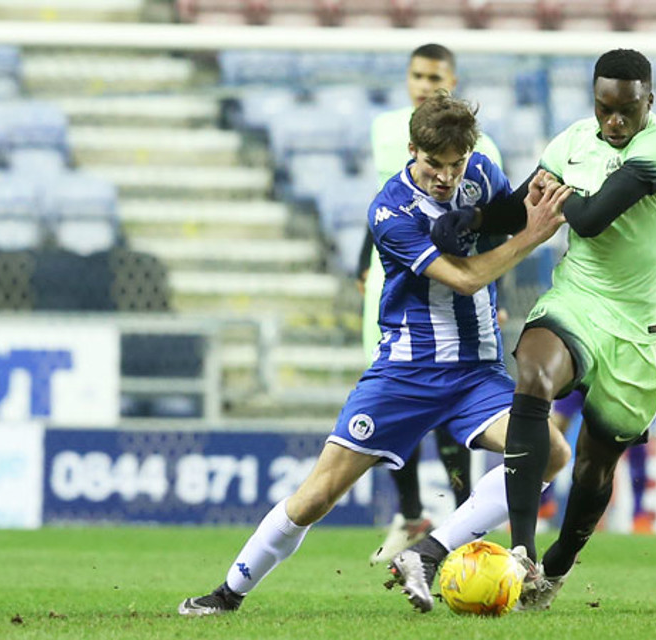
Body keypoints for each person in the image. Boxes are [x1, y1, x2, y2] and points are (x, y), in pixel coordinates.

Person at [179, 92, 572, 617]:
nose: (446, 177)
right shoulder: (391, 210)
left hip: (477, 373)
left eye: (455, 164)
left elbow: (502, 220)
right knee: (317, 496)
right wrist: (534, 236)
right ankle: (227, 593)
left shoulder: (480, 172)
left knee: (552, 452)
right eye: (434, 164)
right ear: (412, 150)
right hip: (405, 374)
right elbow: (462, 278)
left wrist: (532, 199)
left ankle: (428, 553)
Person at [388, 48, 656, 614]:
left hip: (637, 325)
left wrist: (558, 193)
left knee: (596, 463)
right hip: (578, 296)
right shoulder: (574, 141)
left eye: (626, 110)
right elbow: (521, 208)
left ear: (649, 100)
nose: (614, 122)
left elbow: (595, 217)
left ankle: (556, 566)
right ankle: (522, 549)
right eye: (604, 110)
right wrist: (473, 219)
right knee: (531, 377)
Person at [357, 43, 506, 565]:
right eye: (417, 74)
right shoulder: (388, 130)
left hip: (460, 290)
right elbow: (384, 200)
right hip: (397, 280)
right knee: (405, 400)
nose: (424, 83)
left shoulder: (479, 154)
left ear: (452, 78)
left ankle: (461, 514)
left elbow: (496, 228)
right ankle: (412, 513)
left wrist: (499, 296)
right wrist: (363, 261)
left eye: (434, 75)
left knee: (451, 412)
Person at [548, 258, 656, 535]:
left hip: (629, 355)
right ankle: (544, 497)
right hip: (588, 348)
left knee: (632, 436)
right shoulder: (594, 233)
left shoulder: (655, 235)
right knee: (556, 424)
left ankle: (640, 513)